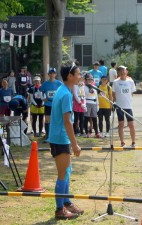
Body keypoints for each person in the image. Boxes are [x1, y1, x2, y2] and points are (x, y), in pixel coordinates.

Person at [47, 62, 84, 220]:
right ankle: (59, 210)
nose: (80, 76)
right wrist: (74, 144)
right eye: (78, 73)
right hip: (59, 138)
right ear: (70, 76)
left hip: (61, 138)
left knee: (67, 171)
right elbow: (67, 121)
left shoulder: (64, 90)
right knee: (62, 173)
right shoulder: (66, 94)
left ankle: (67, 202)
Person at [112, 65, 136, 147]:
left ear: (127, 72)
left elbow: (132, 93)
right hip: (119, 107)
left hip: (128, 106)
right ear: (118, 72)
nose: (122, 72)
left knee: (131, 124)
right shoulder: (115, 82)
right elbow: (113, 94)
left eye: (123, 70)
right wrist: (115, 102)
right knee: (121, 124)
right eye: (120, 71)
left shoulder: (130, 81)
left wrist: (128, 100)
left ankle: (133, 142)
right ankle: (122, 142)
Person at [40, 68, 63, 140]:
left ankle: (57, 135)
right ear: (48, 74)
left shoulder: (59, 83)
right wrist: (42, 98)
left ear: (55, 74)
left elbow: (63, 91)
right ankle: (48, 135)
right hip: (48, 104)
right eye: (51, 73)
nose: (52, 75)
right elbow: (39, 91)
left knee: (57, 120)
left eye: (53, 73)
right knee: (47, 120)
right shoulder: (45, 84)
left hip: (56, 105)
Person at [83, 73, 102, 138]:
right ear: (85, 80)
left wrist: (98, 105)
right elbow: (83, 96)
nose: (90, 81)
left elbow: (96, 97)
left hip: (94, 103)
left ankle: (96, 132)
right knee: (86, 118)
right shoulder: (84, 87)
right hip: (87, 102)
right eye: (88, 79)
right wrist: (84, 104)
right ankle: (87, 132)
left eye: (91, 79)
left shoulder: (95, 87)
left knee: (94, 118)